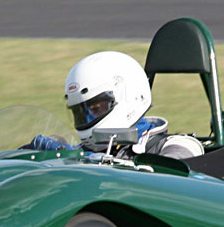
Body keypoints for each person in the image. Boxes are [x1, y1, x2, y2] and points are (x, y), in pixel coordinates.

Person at [31, 51, 204, 160]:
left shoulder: (178, 145)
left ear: (129, 97)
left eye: (96, 108)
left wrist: (84, 159)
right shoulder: (78, 151)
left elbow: (166, 179)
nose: (88, 117)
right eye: (80, 112)